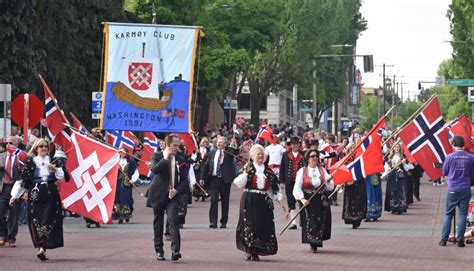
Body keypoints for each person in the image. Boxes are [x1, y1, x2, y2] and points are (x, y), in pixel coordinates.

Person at [13, 139, 69, 261]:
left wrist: (56, 169)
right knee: (35, 219)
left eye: (45, 146)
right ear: (36, 148)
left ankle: (42, 248)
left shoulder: (54, 160)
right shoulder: (30, 161)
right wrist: (14, 196)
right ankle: (40, 247)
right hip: (35, 192)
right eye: (40, 146)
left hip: (50, 192)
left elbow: (63, 176)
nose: (43, 148)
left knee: (48, 219)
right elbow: (22, 180)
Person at [233, 144, 281, 261]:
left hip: (263, 200)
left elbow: (273, 188)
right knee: (250, 225)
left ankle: (260, 248)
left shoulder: (268, 171)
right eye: (258, 154)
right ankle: (250, 251)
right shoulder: (248, 168)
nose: (260, 156)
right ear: (252, 156)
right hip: (249, 199)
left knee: (262, 224)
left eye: (262, 154)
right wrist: (246, 173)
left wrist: (279, 199)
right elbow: (238, 183)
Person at [149, 134, 189, 261]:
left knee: (173, 220)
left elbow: (184, 180)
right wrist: (165, 158)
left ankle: (175, 250)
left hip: (173, 195)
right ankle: (159, 250)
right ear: (167, 145)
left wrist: (177, 190)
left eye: (178, 145)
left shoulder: (182, 158)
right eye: (174, 145)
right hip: (158, 193)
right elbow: (155, 169)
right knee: (158, 221)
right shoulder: (157, 155)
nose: (177, 148)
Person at [292, 149, 334, 253]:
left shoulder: (322, 170)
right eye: (312, 156)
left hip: (320, 198)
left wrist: (329, 180)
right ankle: (312, 242)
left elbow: (330, 187)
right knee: (310, 221)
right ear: (307, 158)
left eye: (316, 156)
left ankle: (317, 241)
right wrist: (302, 199)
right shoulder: (302, 171)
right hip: (308, 198)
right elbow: (297, 188)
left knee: (320, 221)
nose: (315, 158)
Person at [439, 135, 474, 247]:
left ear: (454, 145)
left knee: (448, 214)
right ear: (463, 144)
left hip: (453, 187)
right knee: (463, 214)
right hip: (465, 187)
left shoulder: (450, 157)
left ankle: (444, 239)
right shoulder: (471, 157)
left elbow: (444, 171)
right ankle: (460, 240)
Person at [199, 136, 238, 229]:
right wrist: (202, 178)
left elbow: (235, 152)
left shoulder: (229, 152)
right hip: (214, 179)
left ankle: (223, 222)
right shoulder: (212, 153)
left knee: (225, 201)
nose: (219, 144)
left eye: (221, 142)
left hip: (225, 180)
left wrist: (234, 145)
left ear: (225, 144)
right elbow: (206, 166)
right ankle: (213, 221)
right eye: (218, 142)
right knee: (213, 200)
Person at [0, 136, 22, 247]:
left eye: (11, 143)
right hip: (3, 187)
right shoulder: (1, 156)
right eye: (7, 143)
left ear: (16, 144)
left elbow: (24, 174)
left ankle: (12, 238)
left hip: (16, 187)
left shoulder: (21, 156)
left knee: (13, 214)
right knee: (1, 212)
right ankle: (2, 234)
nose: (8, 145)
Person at [279, 136, 304, 229]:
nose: (295, 146)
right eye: (293, 144)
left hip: (301, 182)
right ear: (291, 145)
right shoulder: (286, 155)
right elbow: (282, 168)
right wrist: (281, 181)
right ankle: (294, 222)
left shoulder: (303, 154)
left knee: (302, 200)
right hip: (289, 182)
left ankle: (303, 220)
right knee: (291, 202)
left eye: (297, 144)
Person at [382, 142, 412, 214]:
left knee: (401, 190)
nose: (396, 148)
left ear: (400, 148)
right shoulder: (390, 157)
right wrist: (383, 175)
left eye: (398, 147)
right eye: (395, 147)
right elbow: (387, 168)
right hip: (392, 176)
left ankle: (400, 207)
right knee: (393, 190)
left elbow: (407, 168)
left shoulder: (403, 157)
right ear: (393, 148)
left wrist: (404, 163)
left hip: (401, 176)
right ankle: (393, 207)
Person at [112, 148, 137, 224]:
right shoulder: (115, 162)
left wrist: (132, 179)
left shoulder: (131, 163)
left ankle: (127, 213)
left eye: (124, 151)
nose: (122, 152)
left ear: (126, 153)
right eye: (120, 151)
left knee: (128, 199)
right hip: (118, 183)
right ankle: (120, 216)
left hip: (127, 183)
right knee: (118, 199)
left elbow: (136, 172)